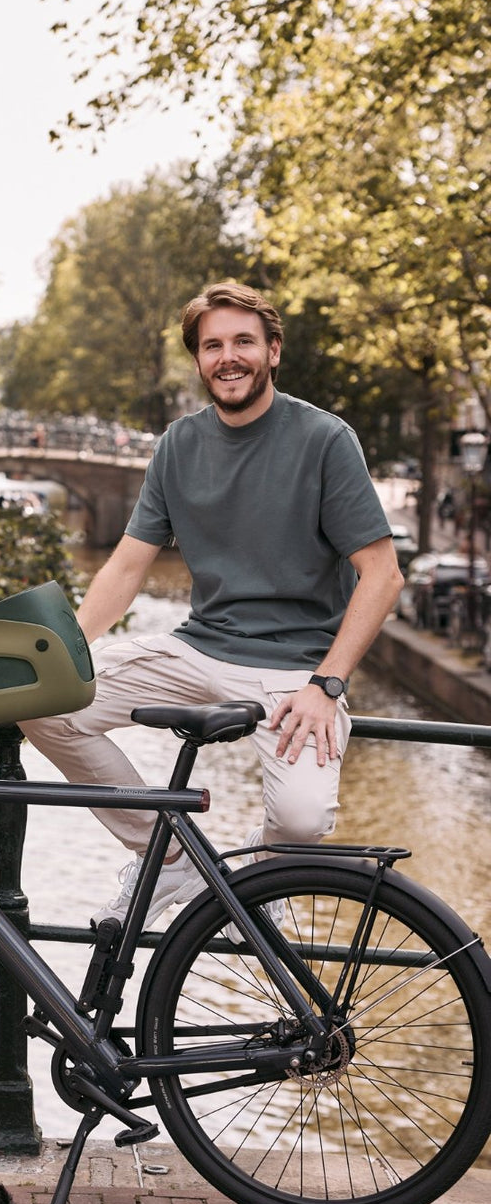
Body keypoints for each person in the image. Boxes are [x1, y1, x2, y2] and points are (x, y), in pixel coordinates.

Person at [21, 281, 404, 927]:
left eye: (243, 342)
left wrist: (327, 684)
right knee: (43, 703)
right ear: (198, 360)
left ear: (273, 350)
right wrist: (70, 647)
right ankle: (168, 856)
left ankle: (256, 885)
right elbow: (126, 565)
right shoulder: (177, 445)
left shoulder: (324, 439)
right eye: (213, 346)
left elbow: (383, 575)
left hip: (297, 669)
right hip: (197, 648)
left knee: (302, 817)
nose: (228, 357)